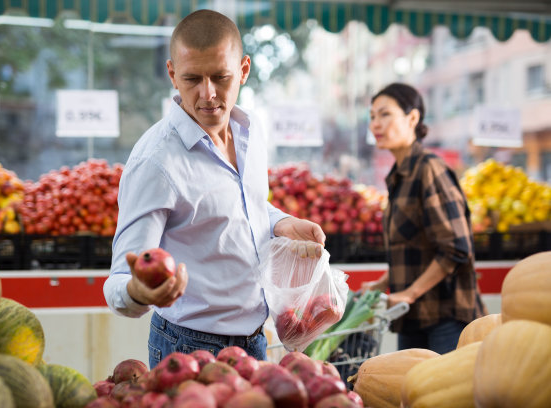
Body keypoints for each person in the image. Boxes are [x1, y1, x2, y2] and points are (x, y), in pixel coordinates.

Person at [103, 9, 325, 368]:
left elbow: (241, 206)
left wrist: (279, 222)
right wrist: (137, 293)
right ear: (172, 74)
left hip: (255, 340)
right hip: (188, 347)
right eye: (192, 79)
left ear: (244, 70)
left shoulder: (250, 132)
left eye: (221, 77)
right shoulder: (156, 162)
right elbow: (119, 278)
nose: (207, 94)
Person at [360, 83, 487, 354]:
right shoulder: (398, 176)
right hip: (412, 318)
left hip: (447, 317)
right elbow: (416, 248)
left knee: (444, 395)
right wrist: (382, 284)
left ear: (413, 118)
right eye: (372, 117)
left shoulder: (430, 170)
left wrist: (409, 293)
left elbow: (455, 248)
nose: (375, 125)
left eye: (385, 114)